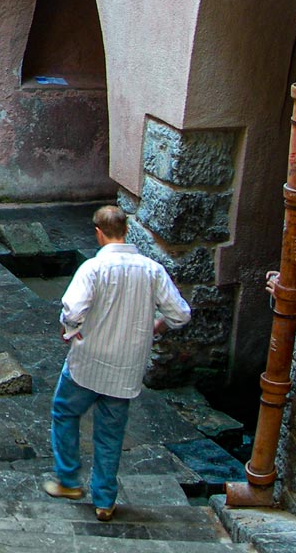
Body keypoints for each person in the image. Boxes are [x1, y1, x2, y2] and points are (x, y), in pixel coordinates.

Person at [44, 205, 191, 521]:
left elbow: (72, 309)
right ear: (126, 231)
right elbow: (180, 313)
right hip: (126, 368)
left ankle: (68, 478)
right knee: (110, 435)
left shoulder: (93, 268)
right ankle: (105, 501)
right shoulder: (151, 270)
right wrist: (156, 325)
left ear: (98, 232)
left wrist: (71, 329)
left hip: (88, 362)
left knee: (64, 411)